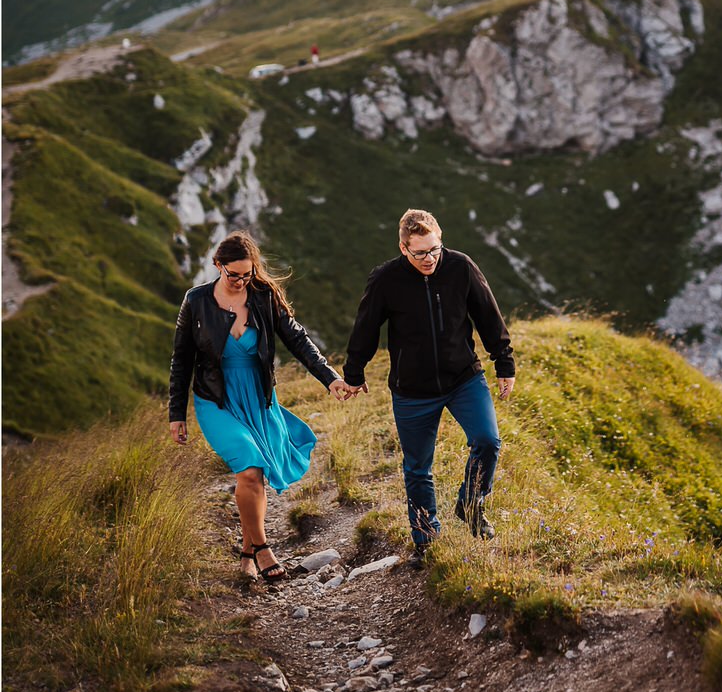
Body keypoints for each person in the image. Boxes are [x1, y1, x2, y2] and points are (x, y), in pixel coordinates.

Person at [169, 230, 352, 583]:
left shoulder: (264, 297)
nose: (240, 281)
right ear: (217, 266)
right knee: (250, 467)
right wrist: (176, 414)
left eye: (247, 274)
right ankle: (264, 549)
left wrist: (330, 378)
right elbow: (181, 359)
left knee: (256, 478)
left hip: (258, 397)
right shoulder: (197, 301)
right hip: (216, 399)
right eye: (233, 274)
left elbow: (298, 340)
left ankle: (246, 553)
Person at [341, 209, 515, 566]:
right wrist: (354, 372)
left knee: (487, 441)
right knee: (418, 467)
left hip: (463, 379)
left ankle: (470, 504)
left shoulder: (460, 266)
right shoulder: (386, 279)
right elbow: (366, 326)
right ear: (404, 248)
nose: (429, 259)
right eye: (419, 252)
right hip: (412, 390)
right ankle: (426, 539)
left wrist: (504, 361)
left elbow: (488, 315)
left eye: (434, 249)